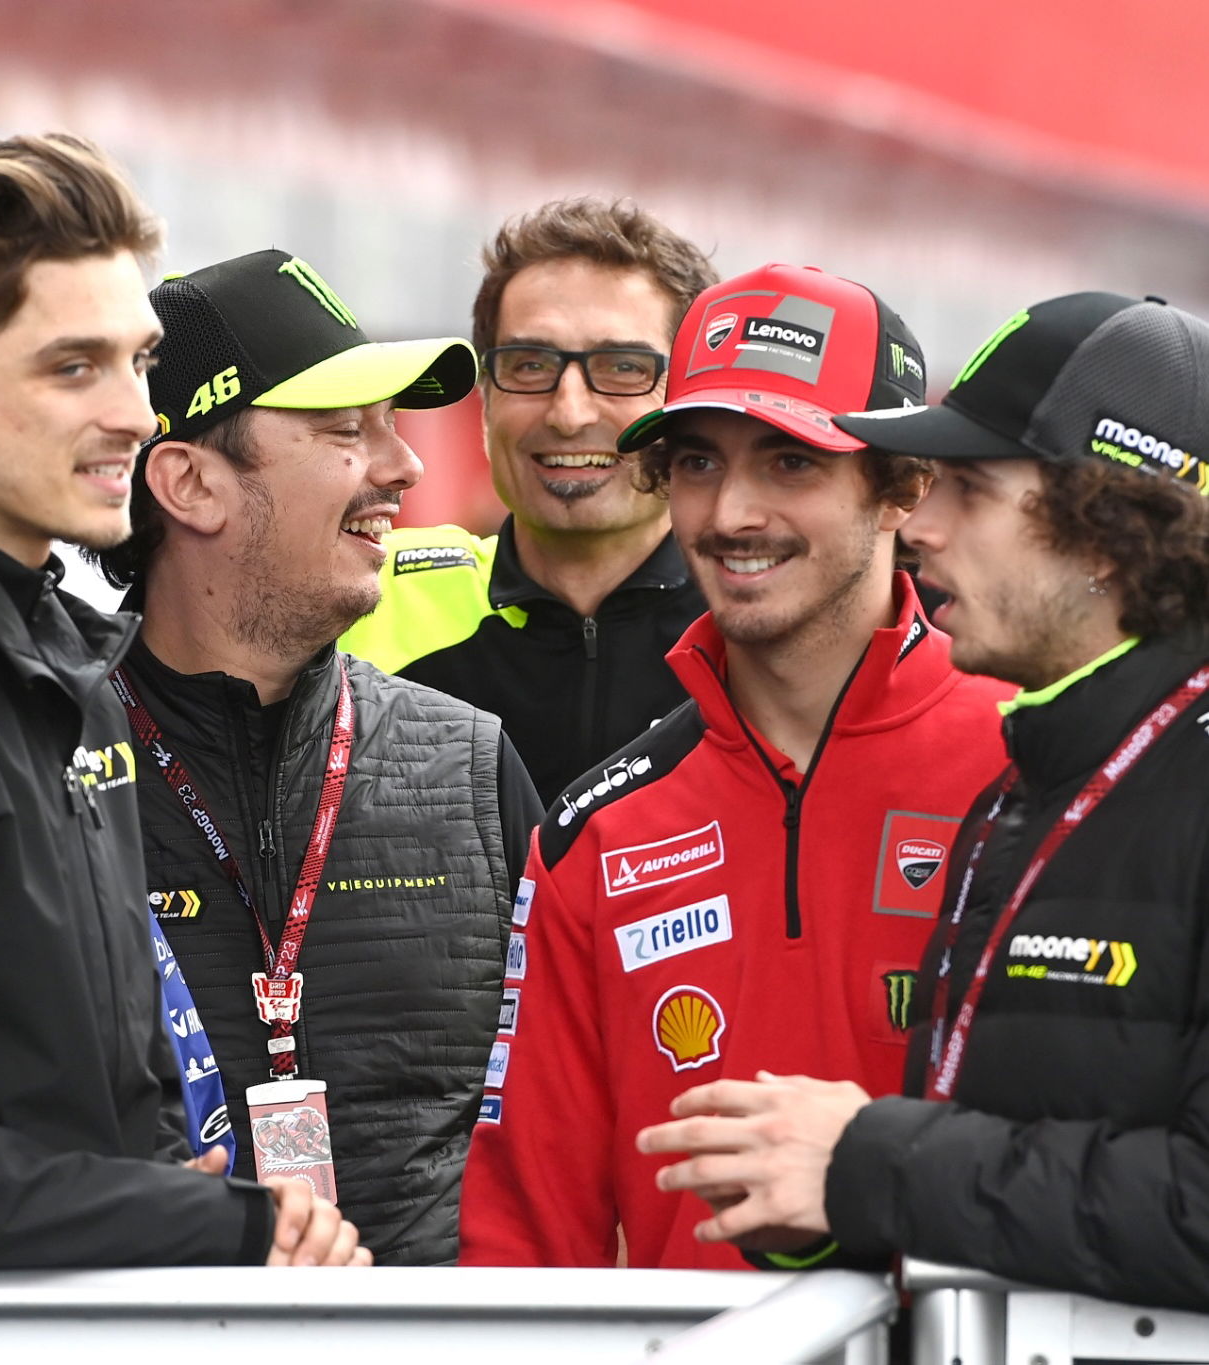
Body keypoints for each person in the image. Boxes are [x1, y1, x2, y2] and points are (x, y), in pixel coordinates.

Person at [0, 132, 365, 1269]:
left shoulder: (60, 662)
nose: (137, 413)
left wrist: (152, 1201)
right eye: (74, 368)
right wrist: (219, 1227)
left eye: (139, 361)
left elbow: (87, 1109)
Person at [637, 290, 1209, 1311]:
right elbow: (1008, 1186)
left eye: (975, 490)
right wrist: (821, 1207)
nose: (923, 528)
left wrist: (868, 1161)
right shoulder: (1028, 784)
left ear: (1110, 532)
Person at [457, 263, 1014, 1270]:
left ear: (901, 486)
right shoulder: (594, 833)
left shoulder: (1036, 766)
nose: (731, 515)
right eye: (699, 464)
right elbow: (524, 1237)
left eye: (790, 463)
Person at [92, 249, 542, 1265]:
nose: (405, 467)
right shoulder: (45, 764)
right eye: (347, 430)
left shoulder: (470, 762)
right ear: (190, 482)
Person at [341, 198, 717, 804]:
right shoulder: (360, 597)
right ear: (486, 399)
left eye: (623, 366)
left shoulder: (761, 628)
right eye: (530, 364)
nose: (569, 414)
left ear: (692, 401)